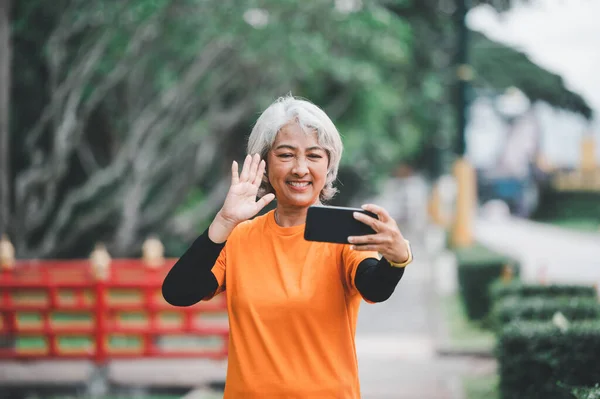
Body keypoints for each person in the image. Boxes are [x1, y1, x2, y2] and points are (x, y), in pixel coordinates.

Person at [162, 95, 413, 398]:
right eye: (286, 155)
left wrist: (397, 259)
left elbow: (375, 287)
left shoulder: (344, 238)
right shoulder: (239, 238)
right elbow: (178, 291)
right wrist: (224, 222)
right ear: (264, 163)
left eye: (314, 156)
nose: (300, 169)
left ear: (329, 165)